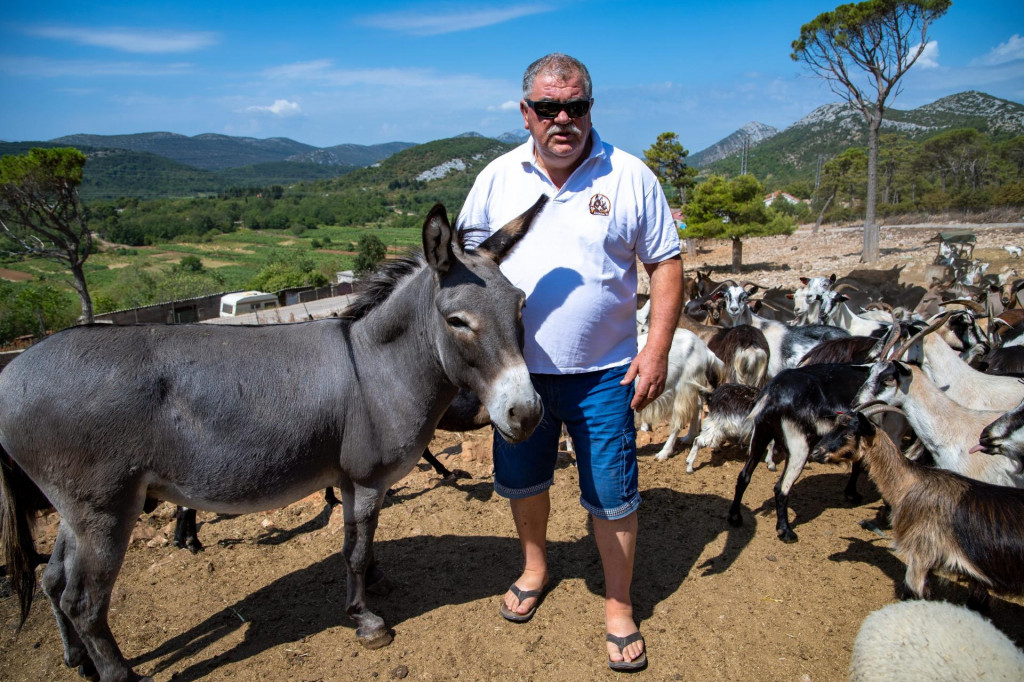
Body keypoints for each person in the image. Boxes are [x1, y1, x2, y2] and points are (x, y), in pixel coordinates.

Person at [457, 53, 683, 671]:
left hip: (607, 373)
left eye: (576, 107)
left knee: (612, 492)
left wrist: (656, 347)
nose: (563, 119)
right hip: (517, 376)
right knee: (523, 480)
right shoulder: (496, 178)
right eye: (549, 108)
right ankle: (534, 567)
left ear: (590, 108)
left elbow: (665, 263)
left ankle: (618, 604)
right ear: (526, 113)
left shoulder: (630, 176)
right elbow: (463, 269)